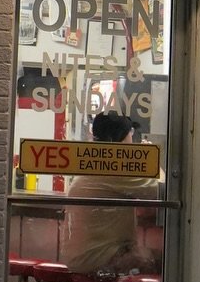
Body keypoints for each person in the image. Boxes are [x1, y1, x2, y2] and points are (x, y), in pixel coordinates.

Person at [60, 110, 160, 273]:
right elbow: (158, 190)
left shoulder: (94, 162)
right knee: (162, 262)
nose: (132, 138)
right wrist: (151, 162)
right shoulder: (115, 166)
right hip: (98, 259)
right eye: (130, 133)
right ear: (118, 140)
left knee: (146, 257)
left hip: (80, 257)